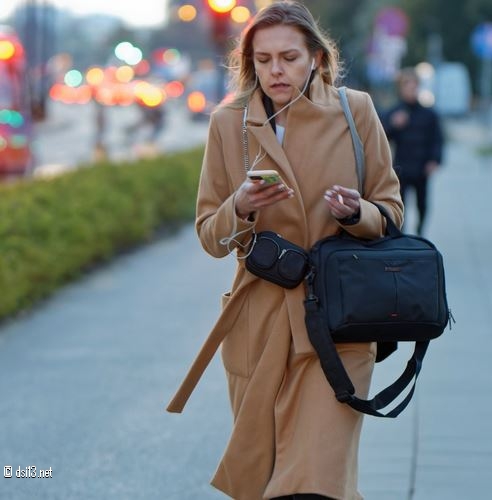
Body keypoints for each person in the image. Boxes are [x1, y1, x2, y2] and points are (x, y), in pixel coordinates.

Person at [167, 2, 403, 499]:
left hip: (340, 323)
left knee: (316, 479)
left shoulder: (354, 110)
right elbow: (211, 235)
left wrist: (355, 213)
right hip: (260, 323)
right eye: (265, 58)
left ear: (316, 58)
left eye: (290, 57)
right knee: (266, 478)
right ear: (250, 61)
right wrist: (242, 205)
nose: (276, 70)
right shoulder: (228, 123)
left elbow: (391, 211)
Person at [381, 68, 443, 236]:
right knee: (400, 203)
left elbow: (437, 139)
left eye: (414, 86)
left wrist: (435, 160)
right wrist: (394, 124)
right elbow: (381, 137)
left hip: (422, 166)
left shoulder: (429, 114)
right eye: (407, 86)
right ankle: (401, 233)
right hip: (401, 166)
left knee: (422, 203)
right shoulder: (394, 112)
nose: (411, 90)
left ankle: (420, 230)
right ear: (401, 89)